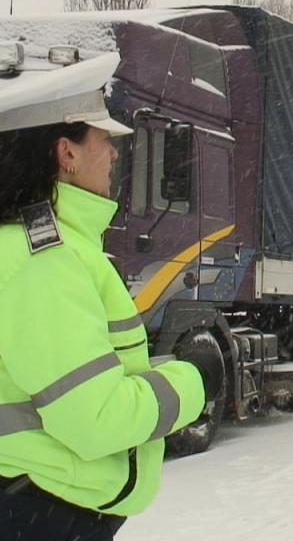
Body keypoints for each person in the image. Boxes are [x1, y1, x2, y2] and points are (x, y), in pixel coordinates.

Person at [0, 51, 219, 540]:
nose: (116, 153)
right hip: (40, 510)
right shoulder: (45, 264)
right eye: (103, 138)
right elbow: (95, 419)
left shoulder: (23, 247)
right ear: (67, 153)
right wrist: (194, 380)